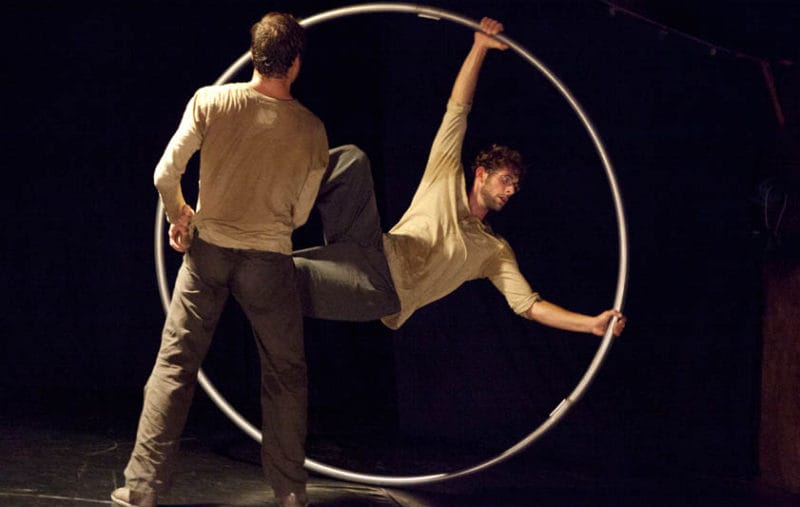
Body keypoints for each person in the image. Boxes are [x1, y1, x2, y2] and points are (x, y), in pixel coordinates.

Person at [112, 12, 328, 507]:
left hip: (207, 255)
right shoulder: (312, 129)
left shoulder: (211, 101)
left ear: (254, 55)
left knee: (174, 366)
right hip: (268, 263)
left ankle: (142, 489)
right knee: (286, 378)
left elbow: (165, 175)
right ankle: (290, 495)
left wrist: (181, 215)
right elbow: (299, 215)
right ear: (295, 63)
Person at [293, 17, 626, 336]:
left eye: (516, 186)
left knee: (282, 275)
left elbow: (528, 305)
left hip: (381, 288)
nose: (511, 190)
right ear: (481, 174)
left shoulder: (493, 250)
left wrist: (590, 324)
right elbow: (457, 110)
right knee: (351, 160)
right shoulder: (445, 176)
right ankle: (274, 196)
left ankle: (260, 268)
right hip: (371, 243)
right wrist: (479, 46)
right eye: (506, 180)